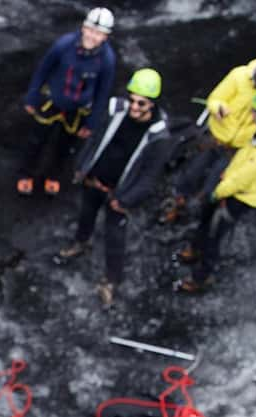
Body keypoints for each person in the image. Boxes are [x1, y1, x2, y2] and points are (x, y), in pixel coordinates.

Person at [56, 68, 172, 307]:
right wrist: (82, 166)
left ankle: (111, 280)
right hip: (95, 180)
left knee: (115, 238)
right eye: (131, 100)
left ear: (152, 105)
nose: (133, 107)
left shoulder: (159, 137)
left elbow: (149, 176)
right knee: (86, 215)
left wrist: (126, 200)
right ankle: (81, 242)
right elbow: (95, 139)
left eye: (141, 104)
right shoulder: (115, 110)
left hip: (118, 194)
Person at [176, 85, 256, 293]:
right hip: (232, 184)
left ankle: (202, 276)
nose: (251, 113)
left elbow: (241, 180)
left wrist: (216, 193)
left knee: (214, 235)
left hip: (237, 198)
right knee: (207, 222)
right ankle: (195, 248)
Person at [159, 45, 256, 224]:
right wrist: (217, 107)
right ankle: (176, 202)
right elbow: (215, 98)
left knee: (215, 183)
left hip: (238, 149)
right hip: (215, 137)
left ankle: (197, 213)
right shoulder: (239, 76)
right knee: (191, 173)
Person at [17, 7, 117, 197]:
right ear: (84, 28)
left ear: (106, 36)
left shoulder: (107, 60)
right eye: (90, 30)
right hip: (52, 101)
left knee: (64, 147)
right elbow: (43, 70)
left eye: (99, 34)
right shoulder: (64, 45)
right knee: (36, 141)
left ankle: (53, 175)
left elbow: (103, 92)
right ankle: (25, 173)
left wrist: (92, 122)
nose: (92, 36)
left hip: (77, 110)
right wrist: (32, 96)